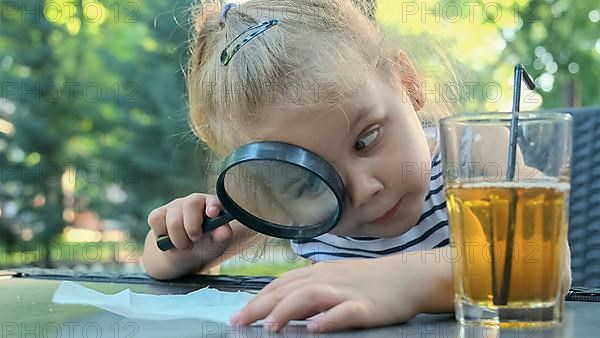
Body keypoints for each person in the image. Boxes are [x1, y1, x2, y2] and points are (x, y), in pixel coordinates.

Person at [142, 0, 572, 332]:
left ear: (407, 82)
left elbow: (544, 261)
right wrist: (189, 240)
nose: (363, 188)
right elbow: (158, 263)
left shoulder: (475, 154)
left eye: (367, 139)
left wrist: (398, 282)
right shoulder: (287, 203)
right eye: (311, 179)